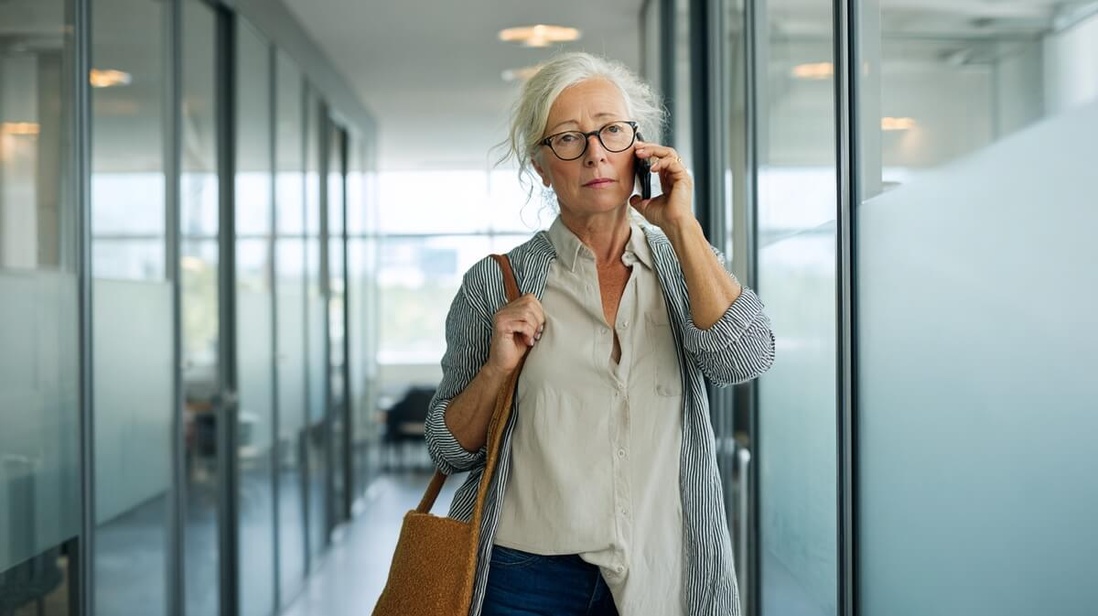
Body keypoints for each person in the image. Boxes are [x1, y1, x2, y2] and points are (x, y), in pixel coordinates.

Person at [425, 51, 775, 616]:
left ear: (638, 146)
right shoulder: (496, 283)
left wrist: (682, 226)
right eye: (568, 138)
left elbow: (745, 359)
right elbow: (447, 448)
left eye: (611, 131)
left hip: (662, 567)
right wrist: (496, 370)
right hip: (525, 575)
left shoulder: (685, 262)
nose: (595, 154)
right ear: (542, 166)